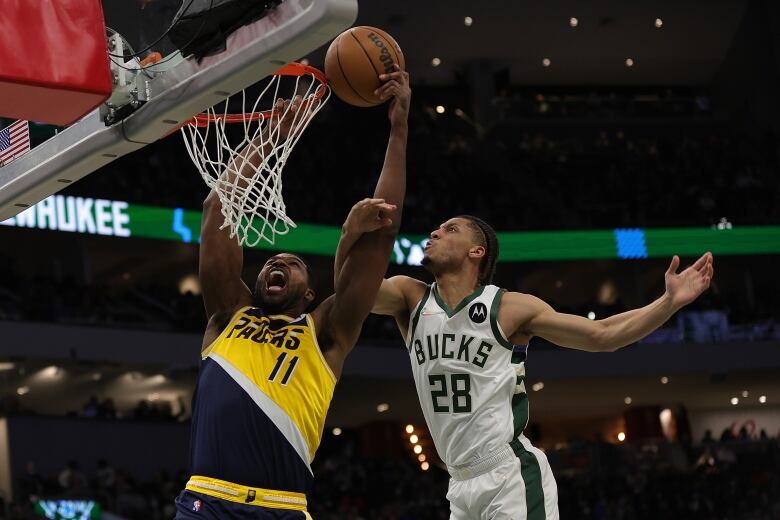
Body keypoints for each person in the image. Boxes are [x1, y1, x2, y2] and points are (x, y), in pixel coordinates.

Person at [174, 66, 411, 519]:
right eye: (270, 263)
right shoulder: (228, 316)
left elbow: (383, 228)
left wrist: (398, 127)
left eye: (294, 264)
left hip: (282, 507)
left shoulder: (325, 333)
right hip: (207, 500)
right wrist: (269, 137)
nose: (277, 262)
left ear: (310, 296)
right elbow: (216, 207)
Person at [373, 215, 714, 519]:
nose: (435, 232)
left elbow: (602, 334)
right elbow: (353, 293)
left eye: (450, 229)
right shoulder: (410, 297)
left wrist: (668, 303)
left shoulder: (507, 307)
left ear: (476, 252)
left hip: (509, 475)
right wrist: (354, 233)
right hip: (459, 486)